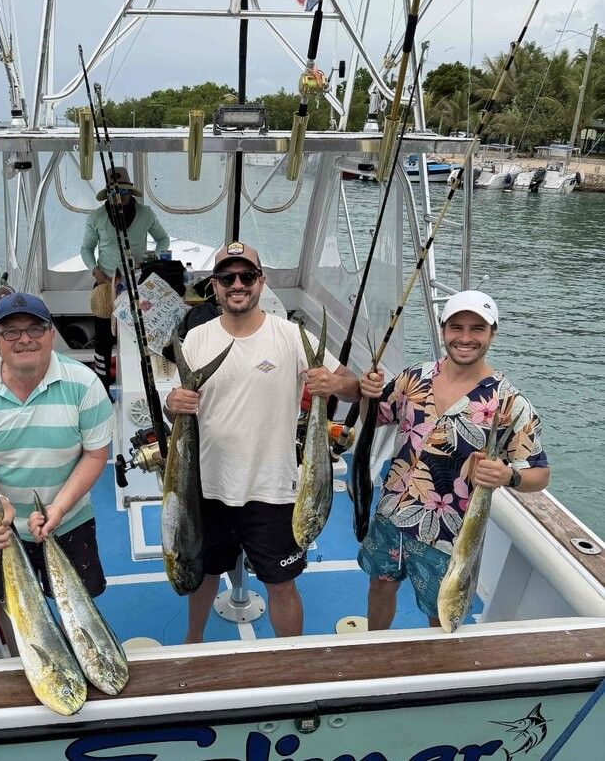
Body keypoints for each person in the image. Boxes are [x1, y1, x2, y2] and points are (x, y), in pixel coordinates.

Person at [164, 242, 361, 642]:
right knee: (203, 573)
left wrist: (334, 384)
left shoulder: (290, 336)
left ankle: (290, 659)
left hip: (273, 488)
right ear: (214, 287)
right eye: (227, 277)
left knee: (282, 582)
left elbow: (354, 388)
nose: (238, 284)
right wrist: (172, 404)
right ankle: (193, 643)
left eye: (247, 276)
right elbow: (175, 406)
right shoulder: (196, 339)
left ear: (261, 282)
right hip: (207, 486)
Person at [357, 290, 550, 629]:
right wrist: (367, 396)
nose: (465, 338)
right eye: (456, 327)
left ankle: (439, 673)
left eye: (477, 329)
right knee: (380, 584)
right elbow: (374, 419)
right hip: (391, 513)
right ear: (443, 328)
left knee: (442, 612)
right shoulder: (413, 377)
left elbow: (539, 475)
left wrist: (508, 476)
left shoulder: (510, 403)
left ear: (492, 333)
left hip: (450, 536)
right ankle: (374, 647)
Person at [0, 291, 114, 623]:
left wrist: (60, 508)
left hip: (70, 519)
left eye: (35, 329)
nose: (24, 339)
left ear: (51, 334)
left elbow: (95, 455)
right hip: (2, 527)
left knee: (78, 608)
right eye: (11, 331)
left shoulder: (85, 385)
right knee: (13, 611)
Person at [80, 166, 169, 392]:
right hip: (105, 283)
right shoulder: (96, 217)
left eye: (123, 191)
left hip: (138, 283)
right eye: (113, 192)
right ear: (107, 195)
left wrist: (152, 260)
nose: (118, 196)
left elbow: (163, 239)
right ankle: (101, 385)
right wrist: (96, 272)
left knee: (138, 335)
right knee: (103, 339)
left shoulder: (146, 214)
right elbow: (86, 249)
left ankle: (139, 380)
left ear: (131, 192)